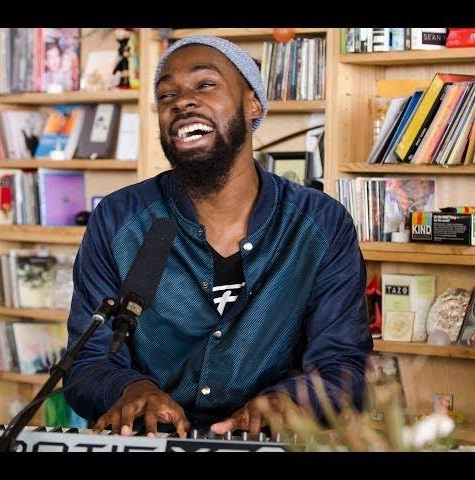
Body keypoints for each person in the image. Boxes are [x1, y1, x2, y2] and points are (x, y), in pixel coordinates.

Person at [63, 36, 372, 439]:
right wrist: (130, 388)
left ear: (253, 103)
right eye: (166, 94)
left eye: (204, 84)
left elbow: (344, 365)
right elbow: (87, 361)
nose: (181, 101)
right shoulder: (119, 220)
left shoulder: (320, 224)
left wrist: (290, 399)